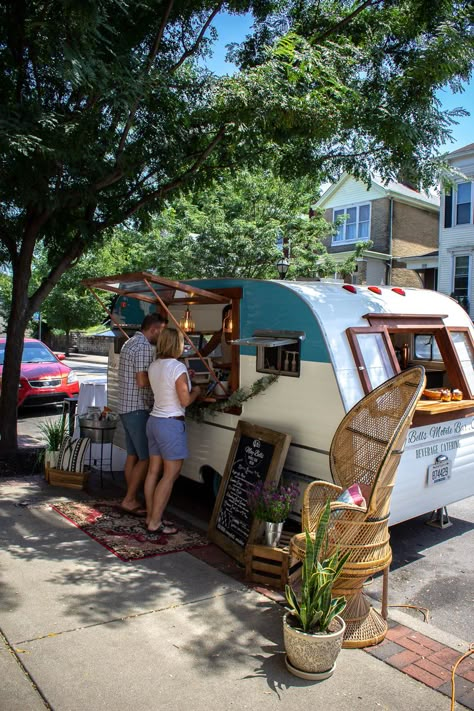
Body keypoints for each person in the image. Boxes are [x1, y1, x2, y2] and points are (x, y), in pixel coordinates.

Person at [144, 328, 201, 535]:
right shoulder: (177, 367)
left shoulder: (154, 366)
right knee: (170, 475)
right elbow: (184, 400)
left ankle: (150, 515)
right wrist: (196, 390)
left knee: (153, 472)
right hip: (170, 424)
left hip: (154, 421)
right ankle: (155, 522)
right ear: (176, 345)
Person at [118, 312, 168, 515]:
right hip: (137, 407)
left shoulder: (129, 342)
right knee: (146, 457)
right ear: (154, 329)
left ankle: (132, 496)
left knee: (133, 455)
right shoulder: (144, 347)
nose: (162, 337)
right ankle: (129, 499)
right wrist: (162, 381)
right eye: (162, 332)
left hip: (125, 406)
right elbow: (141, 380)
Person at [200, 304, 233, 369]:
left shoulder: (242, 335)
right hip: (226, 373)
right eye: (226, 318)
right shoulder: (220, 334)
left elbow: (238, 363)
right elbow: (204, 351)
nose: (229, 320)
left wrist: (217, 365)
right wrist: (190, 358)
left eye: (232, 318)